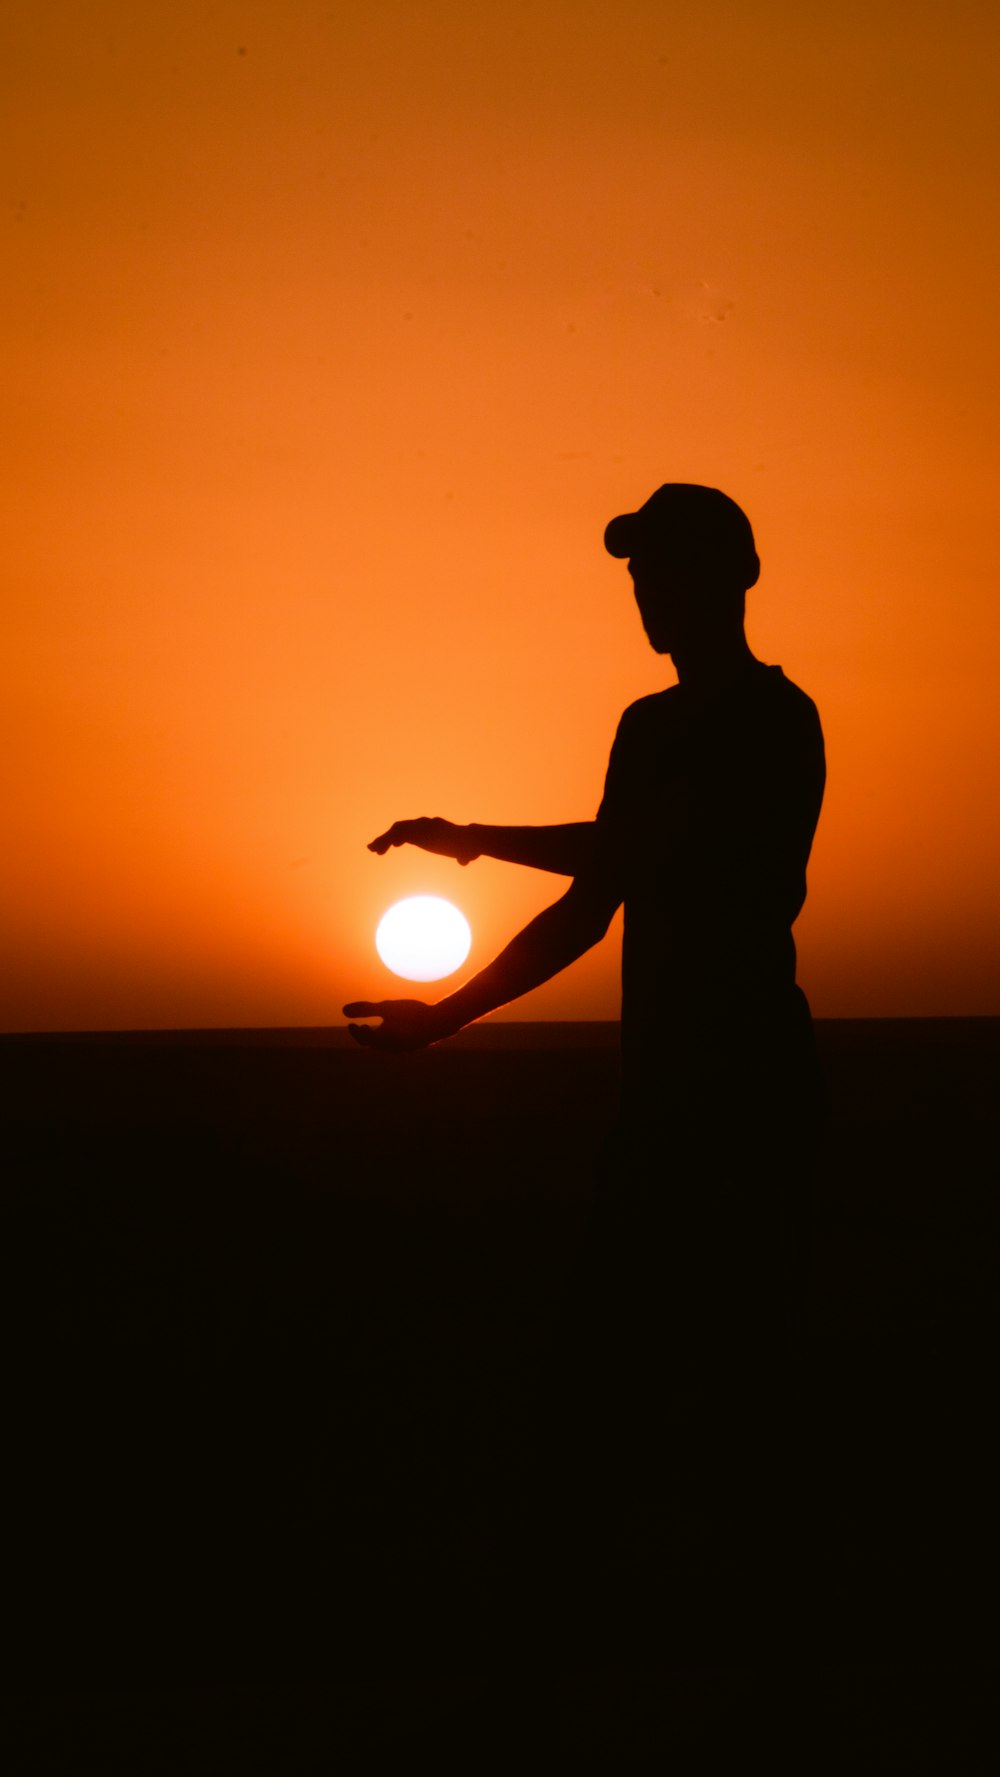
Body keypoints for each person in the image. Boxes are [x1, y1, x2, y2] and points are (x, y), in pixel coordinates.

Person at [345, 482, 827, 1652]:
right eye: (636, 573)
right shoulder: (644, 727)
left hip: (750, 1099)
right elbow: (591, 909)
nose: (644, 593)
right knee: (611, 1375)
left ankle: (764, 1646)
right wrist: (447, 1017)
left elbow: (629, 851)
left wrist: (471, 839)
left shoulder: (775, 723)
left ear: (736, 576)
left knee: (742, 1378)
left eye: (663, 569)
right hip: (660, 1104)